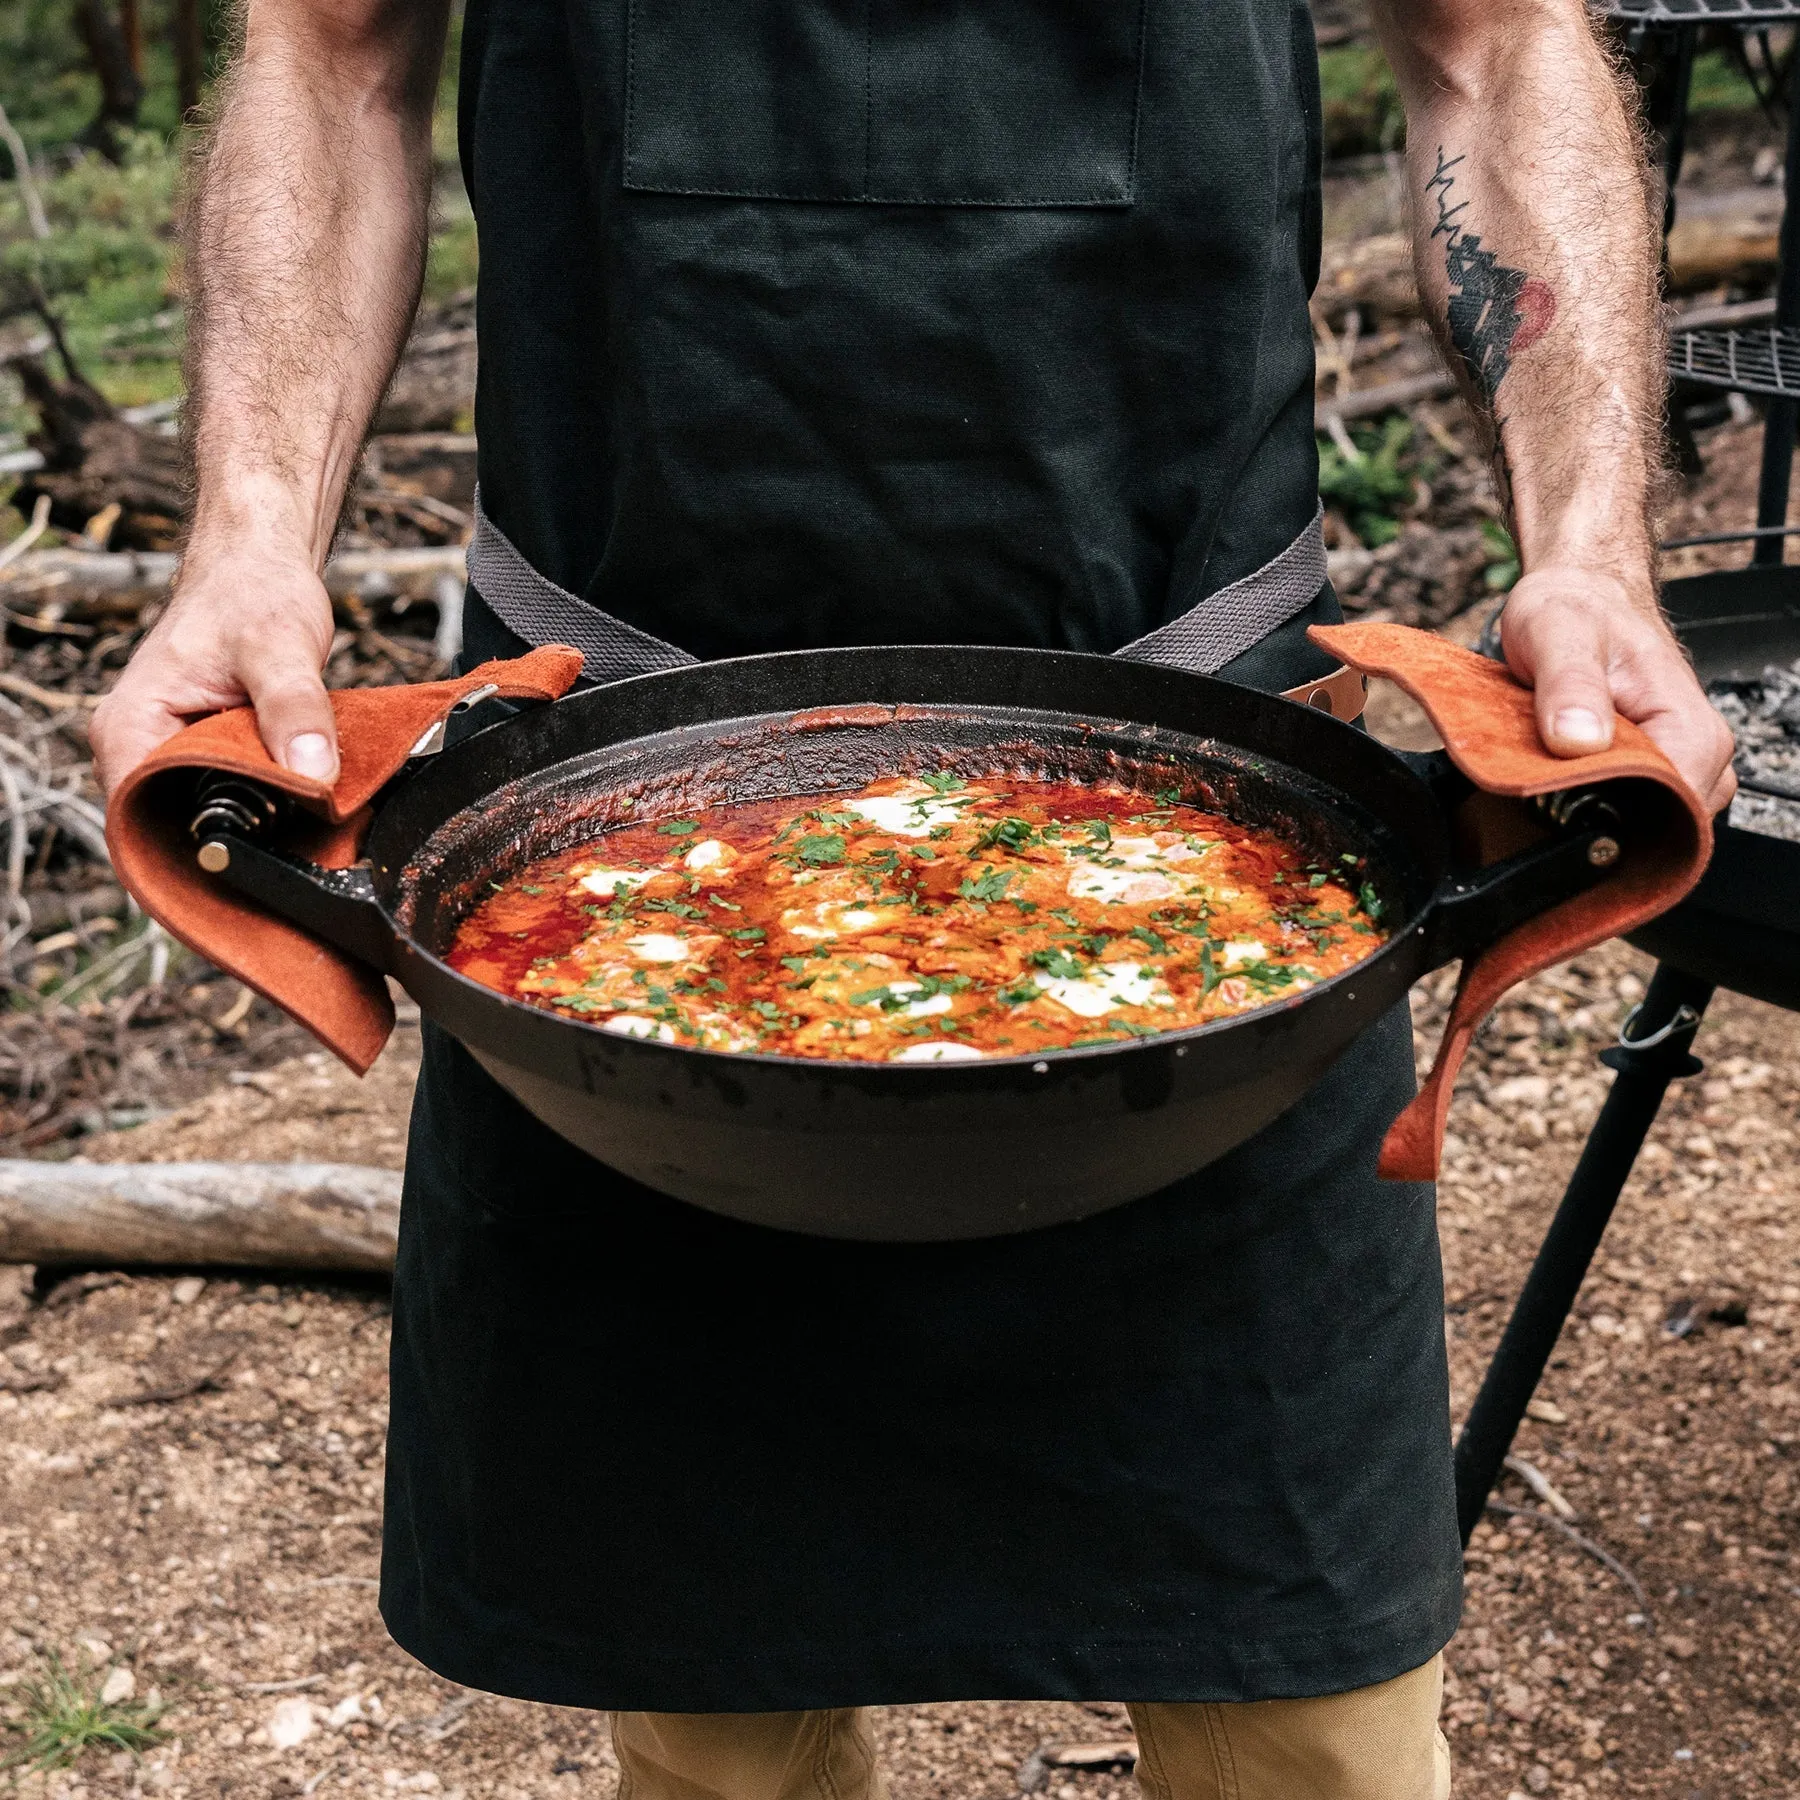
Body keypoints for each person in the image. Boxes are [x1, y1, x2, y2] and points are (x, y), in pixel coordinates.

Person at [92, 0, 1736, 1792]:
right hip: (608, 833)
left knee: (1314, 1721)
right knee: (712, 1716)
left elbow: (1499, 45)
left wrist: (1589, 547)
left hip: (1220, 830)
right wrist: (249, 536)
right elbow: (326, 47)